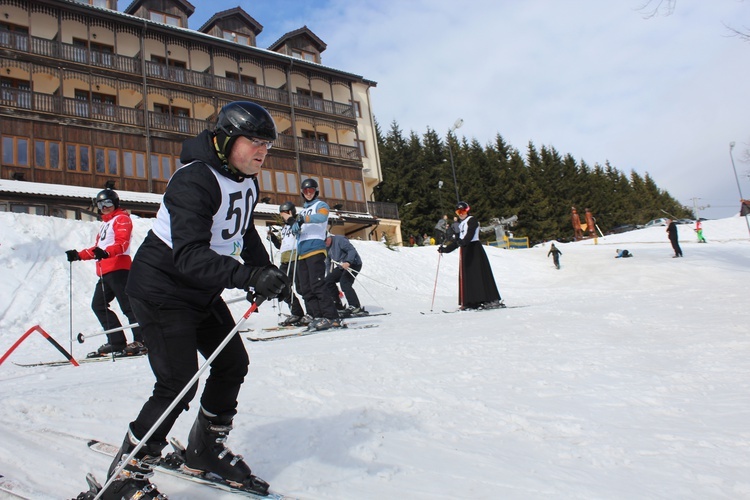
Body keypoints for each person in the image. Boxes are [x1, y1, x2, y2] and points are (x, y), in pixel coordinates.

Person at [77, 101, 291, 500]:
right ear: (227, 139)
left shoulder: (245, 177)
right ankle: (127, 475)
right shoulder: (193, 180)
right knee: (177, 383)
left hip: (201, 289)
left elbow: (240, 230)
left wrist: (264, 270)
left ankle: (205, 449)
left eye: (268, 144)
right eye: (254, 141)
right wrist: (246, 275)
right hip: (163, 289)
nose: (263, 151)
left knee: (232, 365)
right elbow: (189, 254)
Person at [65, 188, 145, 358]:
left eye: (108, 202)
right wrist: (78, 255)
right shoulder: (106, 223)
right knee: (98, 305)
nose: (104, 206)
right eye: (100, 204)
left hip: (119, 269)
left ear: (115, 203)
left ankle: (142, 340)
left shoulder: (122, 219)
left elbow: (122, 243)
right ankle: (116, 341)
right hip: (106, 271)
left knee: (128, 306)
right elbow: (98, 249)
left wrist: (107, 253)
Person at [287, 178, 342, 331]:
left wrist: (305, 219)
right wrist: (296, 227)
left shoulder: (320, 205)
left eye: (311, 190)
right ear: (302, 193)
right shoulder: (302, 210)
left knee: (317, 285)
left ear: (316, 191)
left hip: (316, 249)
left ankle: (332, 317)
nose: (309, 193)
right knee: (306, 288)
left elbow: (323, 217)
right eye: (306, 191)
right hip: (302, 252)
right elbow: (298, 229)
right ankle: (318, 316)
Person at [437, 201, 503, 310]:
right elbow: (458, 240)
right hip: (466, 251)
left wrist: (463, 242)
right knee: (468, 277)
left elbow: (470, 234)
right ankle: (471, 301)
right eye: (458, 211)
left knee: (477, 275)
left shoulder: (472, 220)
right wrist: (445, 249)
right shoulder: (461, 223)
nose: (461, 213)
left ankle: (488, 299)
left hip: (474, 249)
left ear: (467, 210)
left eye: (463, 211)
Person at [268, 201, 308, 326]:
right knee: (282, 287)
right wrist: (273, 238)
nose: (282, 216)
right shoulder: (284, 228)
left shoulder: (297, 222)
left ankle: (313, 312)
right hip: (285, 259)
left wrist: (292, 220)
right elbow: (281, 245)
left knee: (302, 288)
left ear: (291, 212)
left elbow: (302, 232)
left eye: (284, 213)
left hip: (296, 257)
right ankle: (297, 313)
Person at [325, 233, 366, 317]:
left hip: (353, 263)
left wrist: (348, 261)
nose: (325, 243)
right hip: (341, 266)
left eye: (325, 240)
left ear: (329, 237)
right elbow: (328, 261)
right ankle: (338, 305)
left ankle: (355, 306)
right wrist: (329, 275)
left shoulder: (339, 240)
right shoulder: (326, 247)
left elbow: (352, 250)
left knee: (344, 282)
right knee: (328, 281)